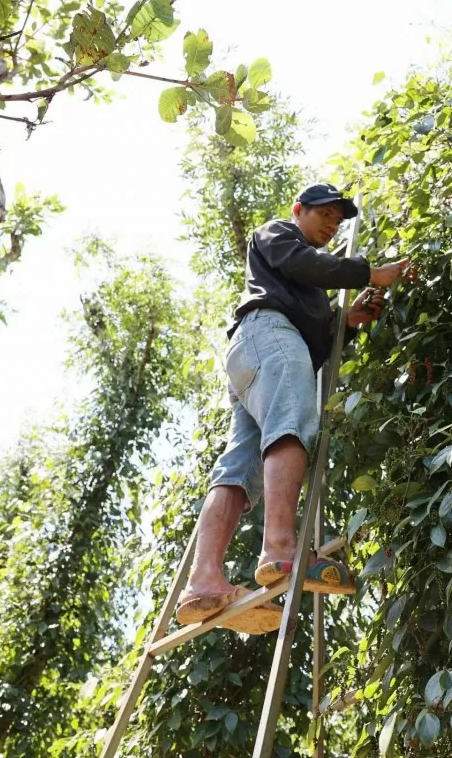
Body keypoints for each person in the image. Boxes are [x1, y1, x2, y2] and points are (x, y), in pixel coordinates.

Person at [175, 183, 410, 633]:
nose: (332, 224)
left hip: (257, 355)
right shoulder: (277, 234)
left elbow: (315, 339)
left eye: (339, 221)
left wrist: (348, 321)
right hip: (270, 336)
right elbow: (304, 265)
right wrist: (370, 273)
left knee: (238, 467)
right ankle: (280, 550)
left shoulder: (305, 288)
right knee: (292, 423)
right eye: (325, 213)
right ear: (298, 210)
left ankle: (203, 579)